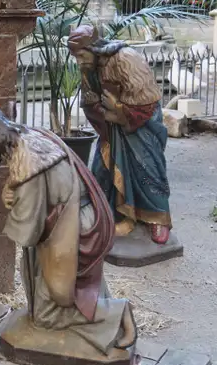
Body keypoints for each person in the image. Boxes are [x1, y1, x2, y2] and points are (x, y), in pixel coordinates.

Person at [0, 107, 137, 358]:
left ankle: (116, 312)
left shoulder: (30, 165)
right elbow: (28, 192)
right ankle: (102, 311)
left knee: (51, 310)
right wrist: (11, 193)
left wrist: (14, 204)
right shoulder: (29, 136)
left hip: (69, 227)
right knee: (50, 299)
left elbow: (27, 230)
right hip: (65, 222)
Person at [68, 24, 173, 244]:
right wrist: (104, 113)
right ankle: (107, 215)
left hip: (141, 125)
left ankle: (157, 217)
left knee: (147, 168)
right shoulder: (89, 67)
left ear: (94, 48)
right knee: (102, 169)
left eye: (81, 55)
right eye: (75, 57)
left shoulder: (126, 58)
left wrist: (119, 112)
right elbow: (89, 101)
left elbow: (147, 100)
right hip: (111, 128)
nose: (79, 62)